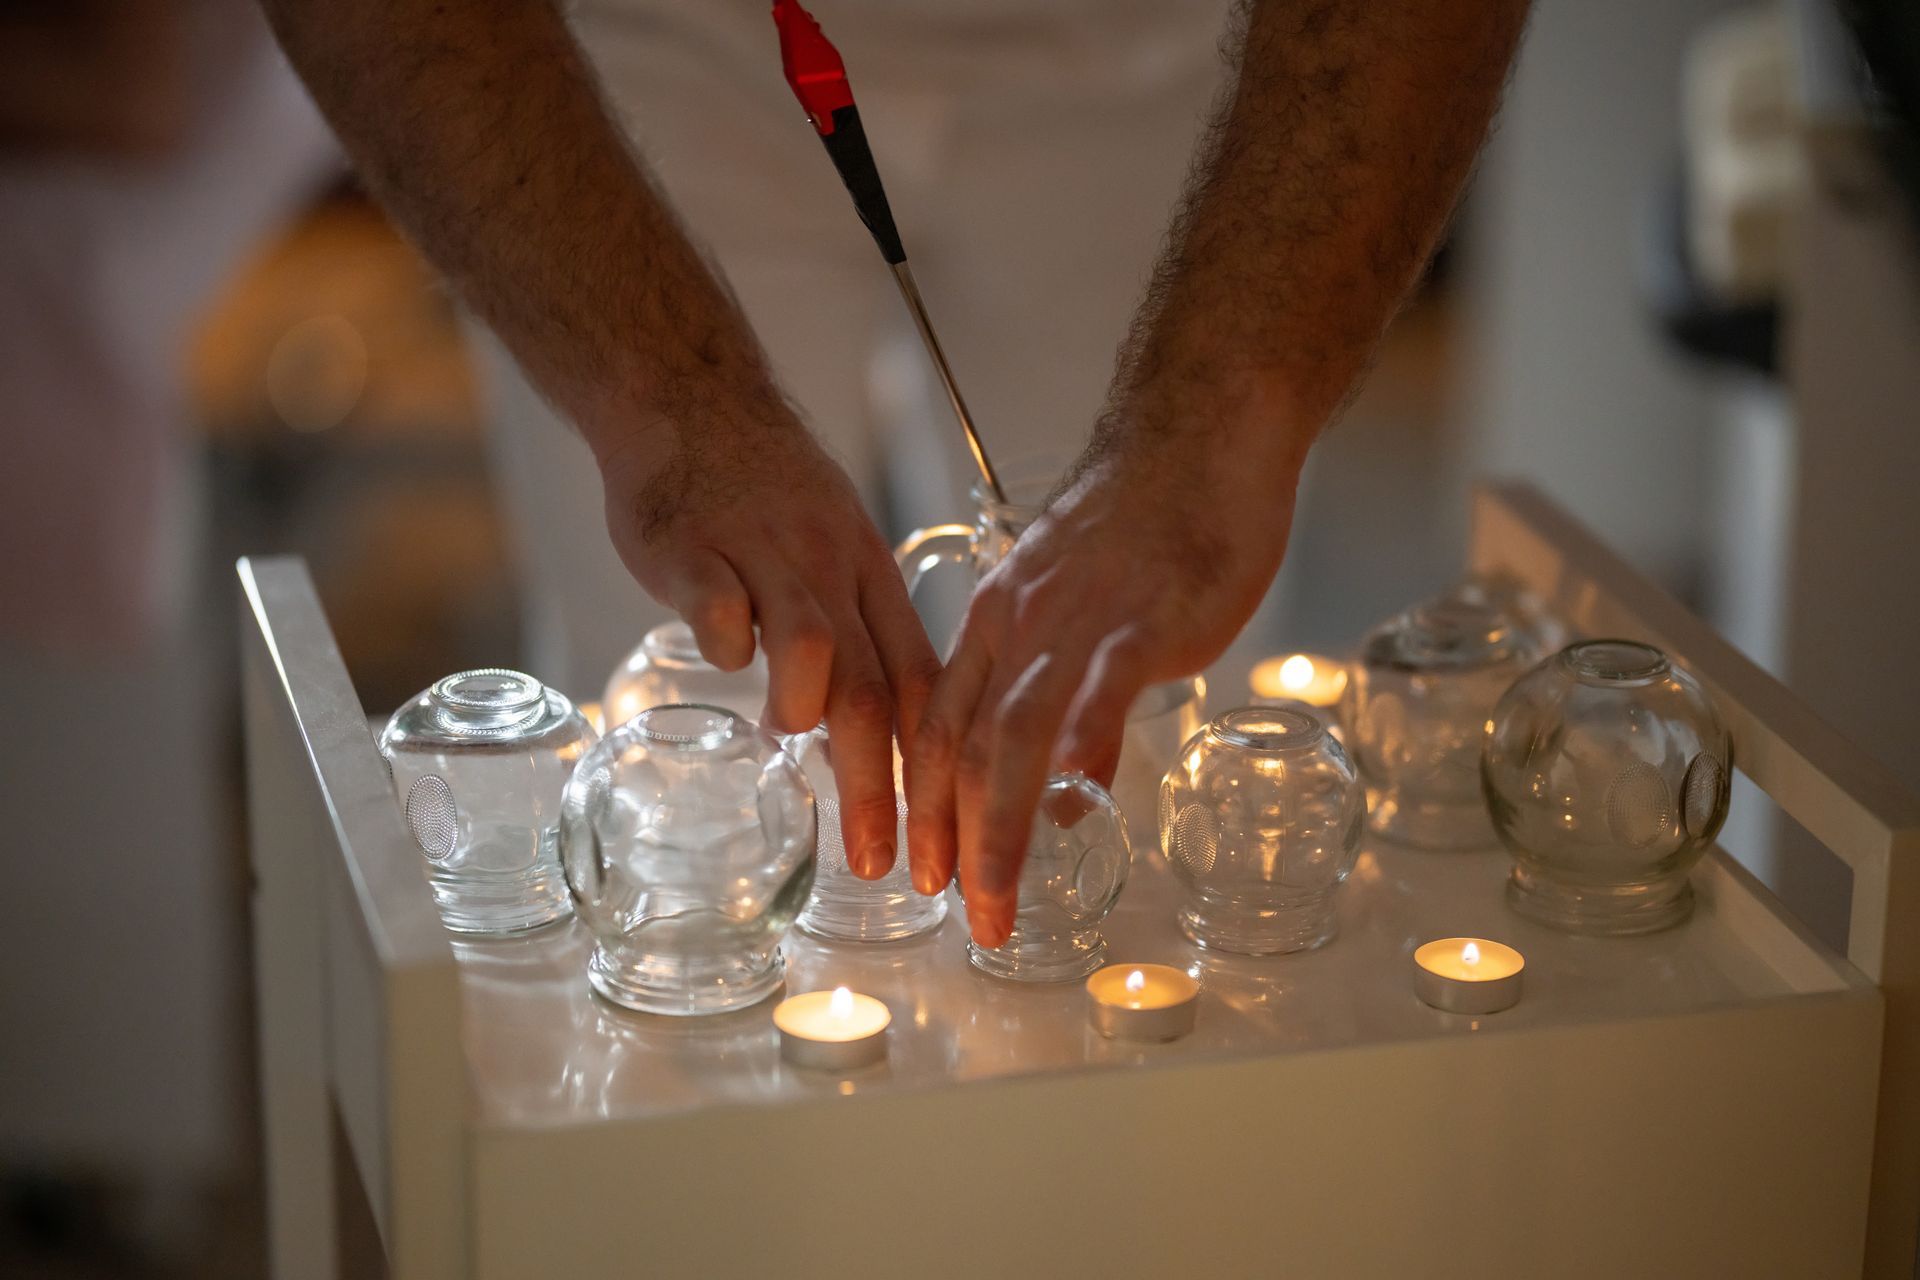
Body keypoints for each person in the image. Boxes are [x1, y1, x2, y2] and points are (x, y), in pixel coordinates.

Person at [260, 0, 1532, 948]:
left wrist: (1224, 414)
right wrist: (660, 392)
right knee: (685, 795)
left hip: (1154, 54)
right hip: (642, 51)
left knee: (1117, 774)